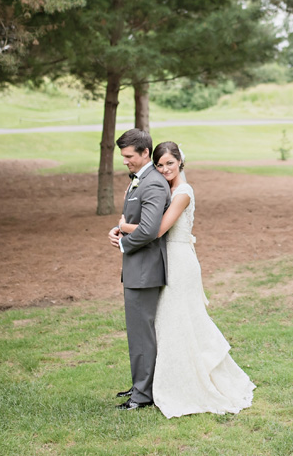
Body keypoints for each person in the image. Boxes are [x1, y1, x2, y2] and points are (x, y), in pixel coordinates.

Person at [118, 141, 255, 418]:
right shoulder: (163, 188)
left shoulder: (182, 192)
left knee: (182, 321)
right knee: (168, 323)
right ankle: (161, 382)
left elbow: (157, 229)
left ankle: (189, 383)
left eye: (170, 163)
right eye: (160, 165)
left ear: (181, 161)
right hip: (167, 261)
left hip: (180, 262)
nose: (165, 168)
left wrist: (122, 228)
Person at [108, 128, 171, 411]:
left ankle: (142, 395)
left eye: (129, 156)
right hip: (138, 268)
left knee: (141, 334)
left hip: (145, 271)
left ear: (145, 153)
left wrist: (123, 244)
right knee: (138, 333)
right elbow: (135, 221)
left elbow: (149, 230)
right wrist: (119, 230)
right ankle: (140, 385)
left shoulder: (153, 183)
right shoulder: (140, 180)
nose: (125, 161)